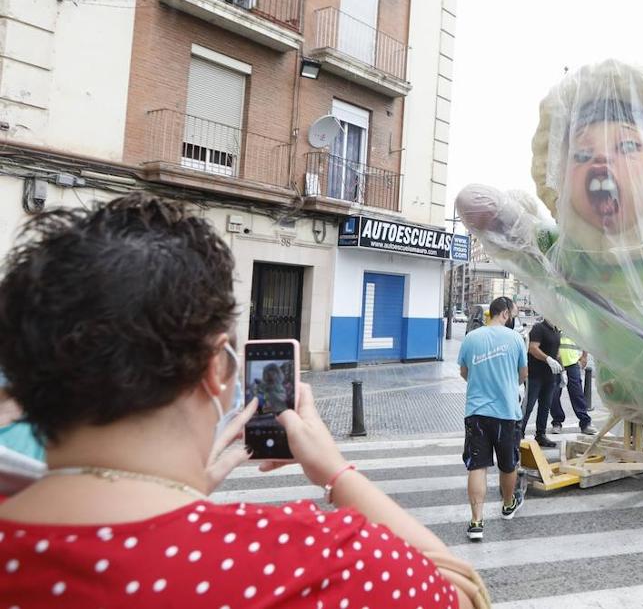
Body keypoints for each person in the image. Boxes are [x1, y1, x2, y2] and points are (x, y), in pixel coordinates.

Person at [0, 195, 484, 608]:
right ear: (215, 368)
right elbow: (459, 592)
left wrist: (176, 496)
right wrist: (337, 473)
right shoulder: (306, 557)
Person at [458, 295, 528, 543]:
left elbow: (464, 371)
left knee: (477, 466)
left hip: (476, 412)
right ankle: (508, 505)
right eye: (515, 314)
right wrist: (507, 385)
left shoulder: (471, 338)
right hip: (506, 412)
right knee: (507, 464)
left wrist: (481, 385)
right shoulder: (516, 339)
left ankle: (476, 522)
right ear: (506, 314)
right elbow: (523, 375)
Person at [522, 317, 564, 448]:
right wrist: (548, 359)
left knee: (545, 406)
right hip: (535, 375)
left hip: (550, 376)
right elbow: (533, 348)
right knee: (528, 405)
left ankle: (540, 434)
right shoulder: (539, 328)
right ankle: (518, 433)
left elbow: (557, 353)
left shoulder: (556, 331)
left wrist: (562, 370)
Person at [549, 334, 596, 435]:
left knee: (577, 394)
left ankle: (585, 422)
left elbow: (584, 337)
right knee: (554, 394)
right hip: (556, 362)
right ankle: (557, 422)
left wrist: (584, 356)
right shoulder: (555, 322)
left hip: (572, 362)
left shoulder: (573, 320)